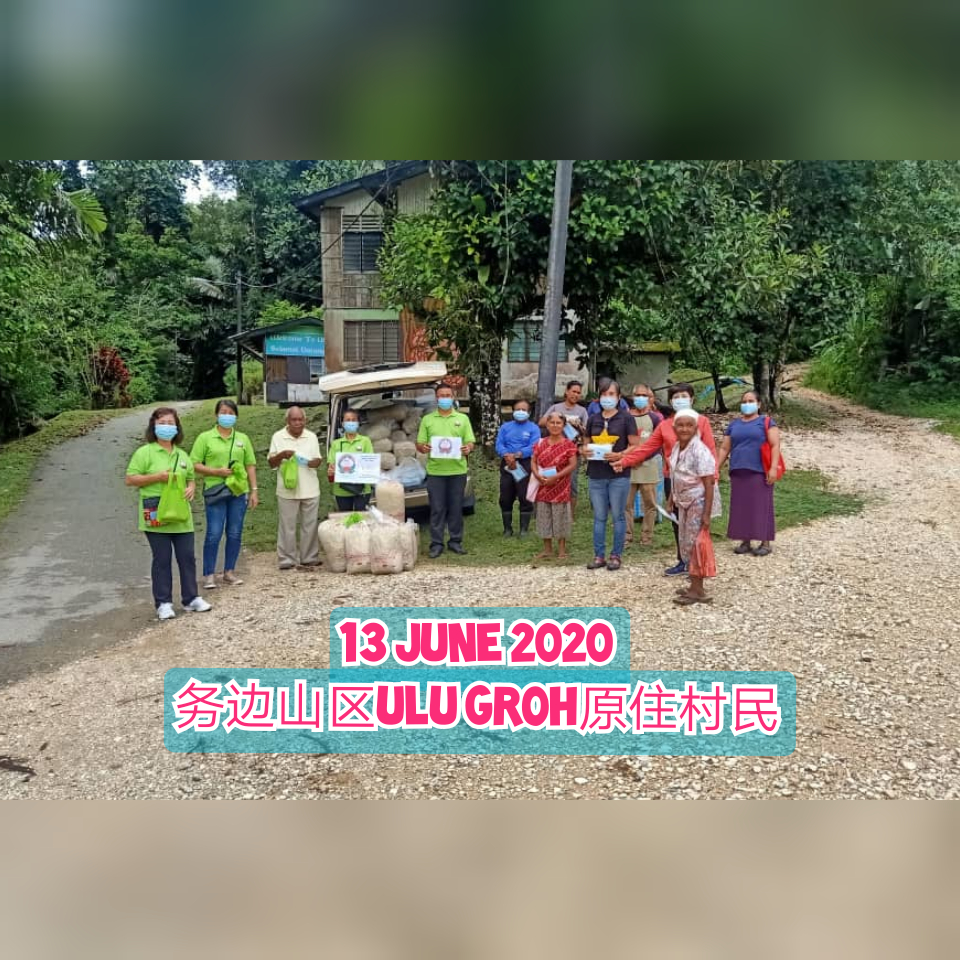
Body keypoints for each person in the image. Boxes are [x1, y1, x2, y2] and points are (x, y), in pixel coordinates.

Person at [609, 381, 717, 576]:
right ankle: (683, 560)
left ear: (692, 399)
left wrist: (713, 478)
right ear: (670, 401)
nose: (680, 400)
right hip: (674, 481)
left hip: (698, 483)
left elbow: (710, 451)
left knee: (696, 525)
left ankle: (698, 567)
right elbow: (646, 448)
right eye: (676, 397)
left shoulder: (701, 422)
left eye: (684, 396)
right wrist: (624, 461)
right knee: (678, 522)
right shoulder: (666, 425)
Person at [125, 407, 211, 620]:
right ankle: (163, 602)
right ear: (153, 427)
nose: (166, 427)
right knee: (162, 559)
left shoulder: (182, 454)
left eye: (170, 423)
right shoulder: (145, 453)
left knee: (187, 557)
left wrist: (191, 487)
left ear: (177, 427)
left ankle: (191, 598)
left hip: (181, 514)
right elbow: (131, 479)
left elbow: (190, 476)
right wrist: (157, 477)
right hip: (156, 512)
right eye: (161, 423)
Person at [190, 399, 259, 590]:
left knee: (235, 532)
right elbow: (194, 464)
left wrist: (254, 490)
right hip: (215, 491)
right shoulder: (205, 438)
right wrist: (215, 472)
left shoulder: (243, 439)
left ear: (236, 416)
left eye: (231, 413)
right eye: (223, 412)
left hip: (238, 491)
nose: (227, 416)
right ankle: (209, 574)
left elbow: (250, 465)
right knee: (214, 533)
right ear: (216, 415)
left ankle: (229, 571)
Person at [716, 390, 781, 557]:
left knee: (761, 506)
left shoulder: (766, 422)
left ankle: (765, 542)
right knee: (741, 507)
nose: (747, 404)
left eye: (751, 401)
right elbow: (724, 448)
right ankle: (745, 540)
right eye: (744, 401)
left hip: (759, 471)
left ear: (758, 404)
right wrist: (716, 467)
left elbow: (775, 445)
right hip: (738, 470)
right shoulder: (734, 425)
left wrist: (773, 468)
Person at [416, 384, 476, 558]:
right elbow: (419, 444)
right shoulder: (427, 420)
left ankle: (455, 541)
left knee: (456, 508)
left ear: (453, 397)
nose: (444, 398)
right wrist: (423, 447)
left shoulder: (462, 419)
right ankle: (436, 544)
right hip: (436, 472)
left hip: (457, 471)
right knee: (437, 509)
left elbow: (470, 442)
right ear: (436, 398)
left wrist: (468, 448)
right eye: (441, 395)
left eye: (448, 395)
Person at [665, 409, 717, 605]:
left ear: (696, 428)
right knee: (686, 542)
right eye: (680, 425)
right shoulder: (677, 447)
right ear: (674, 428)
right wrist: (670, 499)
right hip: (683, 501)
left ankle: (698, 590)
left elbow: (709, 483)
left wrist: (706, 514)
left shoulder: (699, 450)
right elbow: (676, 475)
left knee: (696, 545)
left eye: (689, 425)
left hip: (698, 501)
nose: (684, 429)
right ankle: (693, 585)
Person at [585, 379, 638, 571]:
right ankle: (599, 555)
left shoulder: (627, 418)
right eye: (604, 394)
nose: (607, 398)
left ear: (619, 397)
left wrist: (620, 455)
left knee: (618, 516)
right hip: (596, 474)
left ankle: (616, 555)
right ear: (598, 397)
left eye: (611, 394)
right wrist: (585, 451)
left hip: (618, 474)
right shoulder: (593, 418)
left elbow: (635, 445)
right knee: (599, 517)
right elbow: (585, 443)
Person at [267, 406, 323, 571]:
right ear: (287, 421)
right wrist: (281, 455)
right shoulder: (278, 437)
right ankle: (287, 559)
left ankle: (309, 558)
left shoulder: (311, 437)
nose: (298, 423)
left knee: (310, 525)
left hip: (310, 488)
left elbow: (318, 460)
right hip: (287, 490)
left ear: (305, 420)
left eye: (300, 419)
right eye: (294, 420)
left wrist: (313, 463)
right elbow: (271, 463)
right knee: (287, 526)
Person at [531, 412, 578, 560]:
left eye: (559, 423)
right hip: (543, 485)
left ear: (564, 425)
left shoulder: (568, 444)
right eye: (552, 422)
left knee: (560, 517)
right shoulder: (540, 443)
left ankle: (562, 550)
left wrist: (556, 477)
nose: (555, 425)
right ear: (547, 424)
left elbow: (572, 464)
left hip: (561, 487)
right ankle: (547, 549)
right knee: (544, 516)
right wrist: (537, 475)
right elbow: (533, 461)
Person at [539, 379, 588, 515]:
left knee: (572, 483)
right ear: (566, 391)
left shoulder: (582, 411)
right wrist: (562, 419)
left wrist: (578, 425)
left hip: (573, 452)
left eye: (578, 392)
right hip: (554, 451)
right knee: (552, 479)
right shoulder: (556, 408)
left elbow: (587, 431)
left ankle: (570, 515)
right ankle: (550, 511)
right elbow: (541, 422)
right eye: (573, 391)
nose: (576, 395)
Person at [625, 384, 664, 548]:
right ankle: (626, 537)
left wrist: (642, 457)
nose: (641, 398)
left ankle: (647, 537)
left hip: (648, 464)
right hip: (628, 466)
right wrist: (630, 458)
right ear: (632, 397)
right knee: (626, 504)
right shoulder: (625, 416)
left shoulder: (655, 418)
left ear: (649, 398)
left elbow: (658, 443)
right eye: (638, 395)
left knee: (650, 504)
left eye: (644, 395)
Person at [495, 399, 539, 537]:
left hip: (525, 463)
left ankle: (524, 529)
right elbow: (499, 444)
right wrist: (506, 455)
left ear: (529, 412)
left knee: (524, 496)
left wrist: (518, 454)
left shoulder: (533, 428)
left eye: (524, 410)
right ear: (513, 411)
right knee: (505, 496)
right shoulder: (505, 427)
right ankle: (507, 529)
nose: (520, 412)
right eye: (518, 409)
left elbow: (534, 446)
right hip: (507, 463)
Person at [327, 408, 374, 512]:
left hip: (362, 489)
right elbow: (331, 466)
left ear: (358, 423)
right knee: (345, 518)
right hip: (341, 491)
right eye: (348, 420)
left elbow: (370, 464)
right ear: (343, 424)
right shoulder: (336, 444)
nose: (351, 423)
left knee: (361, 518)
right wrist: (331, 471)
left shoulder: (365, 441)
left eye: (353, 420)